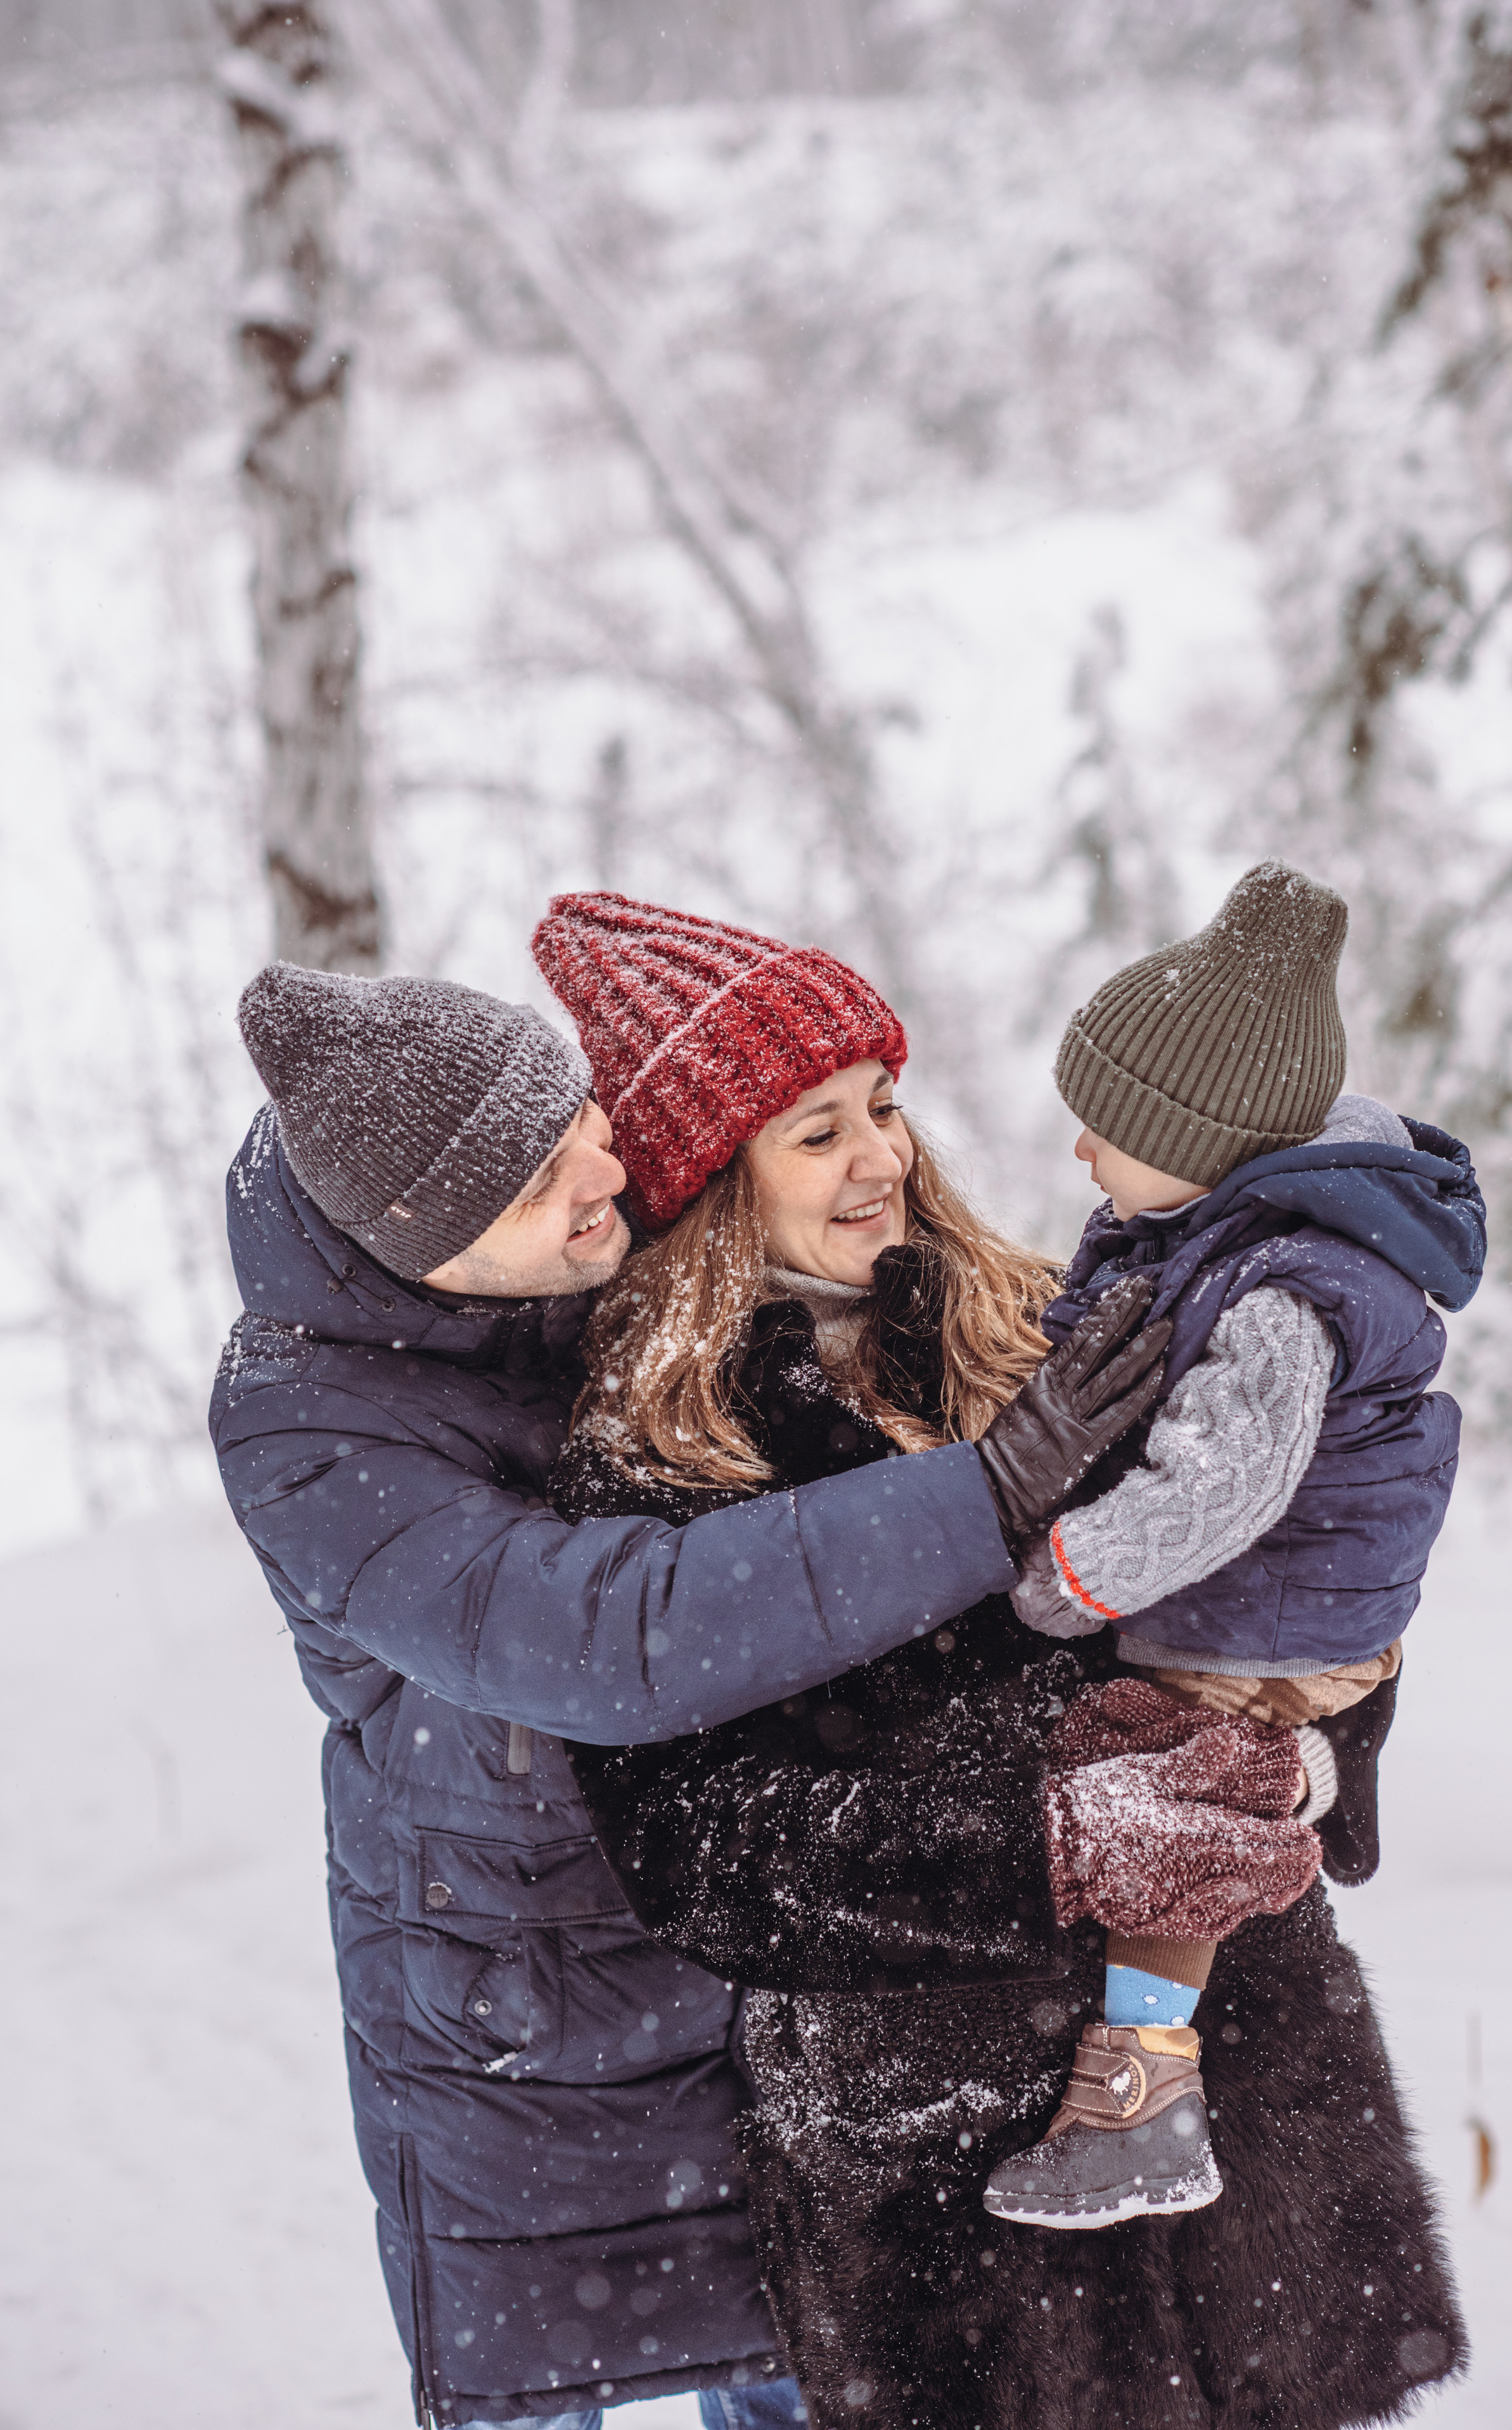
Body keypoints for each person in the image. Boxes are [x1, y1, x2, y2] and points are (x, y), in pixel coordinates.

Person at [535, 889, 1469, 2430]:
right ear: (706, 1185)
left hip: (1239, 2092)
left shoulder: (1054, 1317)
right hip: (951, 2157)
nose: (883, 1158)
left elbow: (1309, 1572)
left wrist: (1310, 1763)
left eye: (883, 1106)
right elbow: (700, 1849)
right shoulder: (658, 1460)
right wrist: (1047, 1842)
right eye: (816, 1131)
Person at [208, 958, 1162, 2430]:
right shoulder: (304, 1422)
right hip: (519, 1994)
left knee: (804, 2363)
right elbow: (605, 1634)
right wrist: (979, 1500)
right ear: (425, 1244)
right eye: (541, 1181)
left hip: (737, 1922)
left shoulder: (604, 1257)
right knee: (537, 2382)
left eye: (581, 1125)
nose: (608, 1176)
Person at [981, 858, 1487, 2227]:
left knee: (1167, 1807)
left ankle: (1139, 2100)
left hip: (1262, 1617)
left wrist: (1064, 1578)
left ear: (1204, 1140)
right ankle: (1304, 1782)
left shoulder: (1279, 1293)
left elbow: (1220, 1488)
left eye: (1106, 1127)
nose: (1079, 1153)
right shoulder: (1229, 1236)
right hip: (1278, 1608)